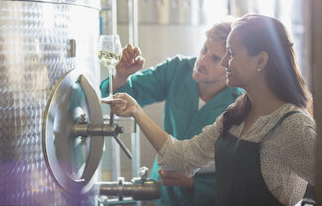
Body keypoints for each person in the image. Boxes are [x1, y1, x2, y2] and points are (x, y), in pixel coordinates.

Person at [104, 14, 316, 206]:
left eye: (229, 54)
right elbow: (182, 158)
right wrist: (135, 109)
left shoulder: (293, 125)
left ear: (260, 60)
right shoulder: (237, 113)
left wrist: (195, 185)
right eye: (205, 50)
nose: (224, 62)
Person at [100, 20, 243, 205]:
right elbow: (117, 98)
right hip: (161, 191)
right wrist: (121, 76)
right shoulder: (177, 69)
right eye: (204, 49)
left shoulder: (240, 103)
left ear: (231, 64)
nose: (203, 61)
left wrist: (194, 184)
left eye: (215, 58)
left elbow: (241, 175)